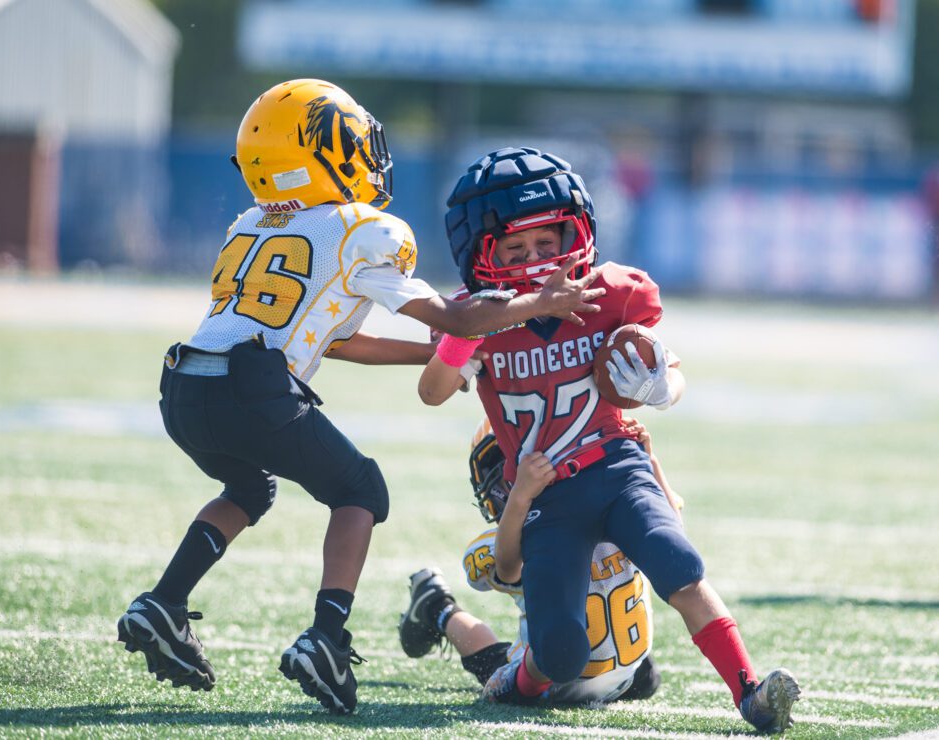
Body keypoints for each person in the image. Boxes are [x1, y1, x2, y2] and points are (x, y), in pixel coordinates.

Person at [115, 83, 604, 715]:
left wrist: (431, 357)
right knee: (361, 491)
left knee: (249, 489)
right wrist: (541, 301)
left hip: (184, 383)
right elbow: (457, 317)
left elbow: (340, 342)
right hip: (250, 384)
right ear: (324, 154)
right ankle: (326, 636)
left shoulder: (250, 226)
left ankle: (163, 603)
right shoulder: (358, 230)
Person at [418, 147, 801, 733]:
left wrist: (660, 388)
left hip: (617, 467)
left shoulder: (612, 293)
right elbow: (433, 391)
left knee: (680, 564)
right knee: (560, 651)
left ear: (576, 231)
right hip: (547, 494)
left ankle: (749, 692)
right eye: (516, 250)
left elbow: (671, 371)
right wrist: (468, 329)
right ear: (482, 254)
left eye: (546, 242)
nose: (537, 260)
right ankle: (515, 680)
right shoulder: (480, 318)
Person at [398, 418, 681, 704]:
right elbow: (508, 569)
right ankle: (437, 606)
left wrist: (648, 463)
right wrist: (521, 499)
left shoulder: (623, 505)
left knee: (648, 679)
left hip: (624, 672)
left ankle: (436, 604)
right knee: (500, 676)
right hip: (544, 672)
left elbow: (670, 535)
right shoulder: (513, 540)